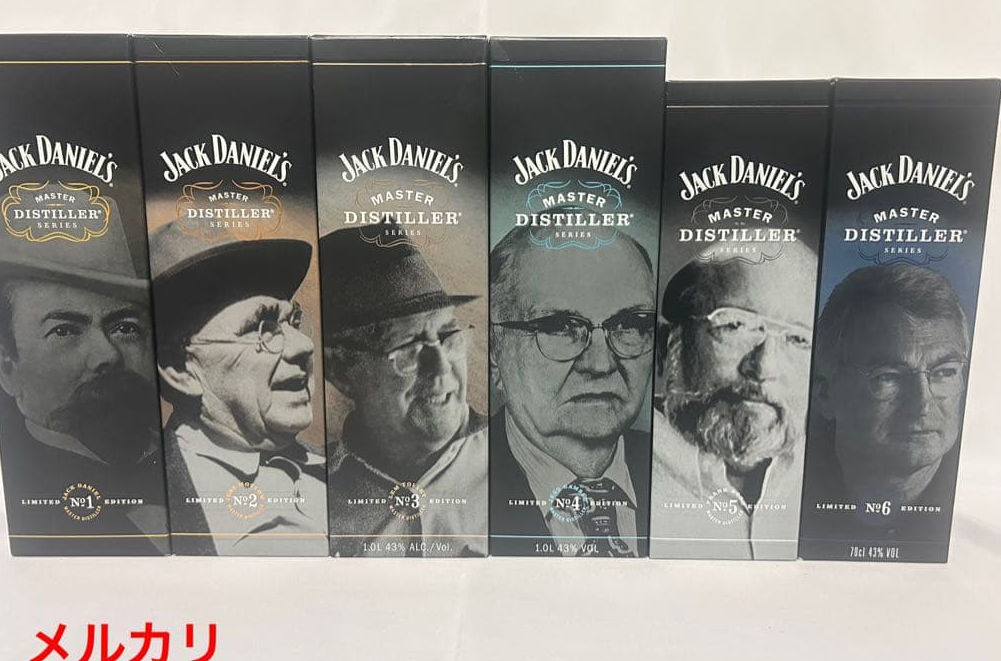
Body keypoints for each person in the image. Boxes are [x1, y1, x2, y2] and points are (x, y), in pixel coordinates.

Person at [0, 192, 167, 549]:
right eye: (64, 331)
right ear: (6, 368)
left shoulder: (186, 461)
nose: (107, 355)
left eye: (125, 327)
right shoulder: (10, 497)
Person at [152, 221, 327, 556]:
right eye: (261, 329)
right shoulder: (147, 501)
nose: (303, 345)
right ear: (180, 370)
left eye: (293, 321)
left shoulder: (346, 471)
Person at [319, 227, 487, 557]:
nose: (441, 367)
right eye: (410, 347)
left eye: (449, 336)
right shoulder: (307, 488)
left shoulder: (516, 465)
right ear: (340, 370)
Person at [489, 227, 655, 557]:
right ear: (495, 350)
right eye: (559, 327)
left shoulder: (682, 478)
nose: (600, 364)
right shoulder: (453, 494)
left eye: (629, 324)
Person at [651, 243, 818, 559]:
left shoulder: (835, 472)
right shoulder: (623, 468)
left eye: (798, 339)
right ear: (665, 346)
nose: (764, 368)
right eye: (734, 326)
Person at [805, 263, 969, 517]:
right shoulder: (791, 487)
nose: (922, 404)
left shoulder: (983, 487)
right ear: (825, 393)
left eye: (944, 372)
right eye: (889, 377)